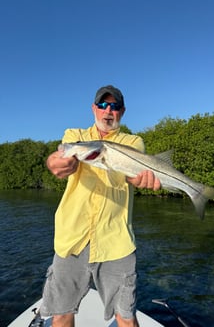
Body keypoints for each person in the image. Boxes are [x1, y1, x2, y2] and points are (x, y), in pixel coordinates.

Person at [40, 85, 161, 327]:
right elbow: (63, 159)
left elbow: (130, 175)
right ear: (94, 108)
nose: (108, 111)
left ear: (122, 112)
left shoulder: (133, 142)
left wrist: (139, 178)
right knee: (61, 313)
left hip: (116, 240)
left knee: (126, 317)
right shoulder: (75, 135)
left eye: (114, 106)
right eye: (103, 105)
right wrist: (53, 162)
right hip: (72, 237)